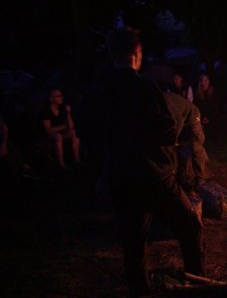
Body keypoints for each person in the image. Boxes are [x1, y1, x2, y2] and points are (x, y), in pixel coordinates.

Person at [79, 28, 205, 297]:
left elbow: (86, 135)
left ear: (112, 54)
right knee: (190, 227)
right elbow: (168, 130)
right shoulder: (145, 88)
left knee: (133, 242)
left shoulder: (96, 92)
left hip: (119, 179)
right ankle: (199, 286)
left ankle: (140, 291)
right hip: (153, 177)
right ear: (137, 54)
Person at [164, 92, 209, 193]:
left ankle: (201, 178)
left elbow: (177, 120)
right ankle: (180, 176)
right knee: (179, 149)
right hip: (182, 119)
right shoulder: (157, 104)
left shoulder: (167, 102)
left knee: (196, 145)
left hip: (192, 115)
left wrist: (174, 139)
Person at [41, 89, 81, 169]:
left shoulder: (62, 109)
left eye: (61, 95)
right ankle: (61, 163)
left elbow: (71, 126)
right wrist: (63, 126)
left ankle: (77, 159)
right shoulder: (46, 111)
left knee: (73, 132)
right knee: (58, 136)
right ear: (51, 99)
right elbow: (48, 130)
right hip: (50, 136)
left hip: (61, 133)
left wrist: (68, 113)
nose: (61, 98)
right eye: (58, 96)